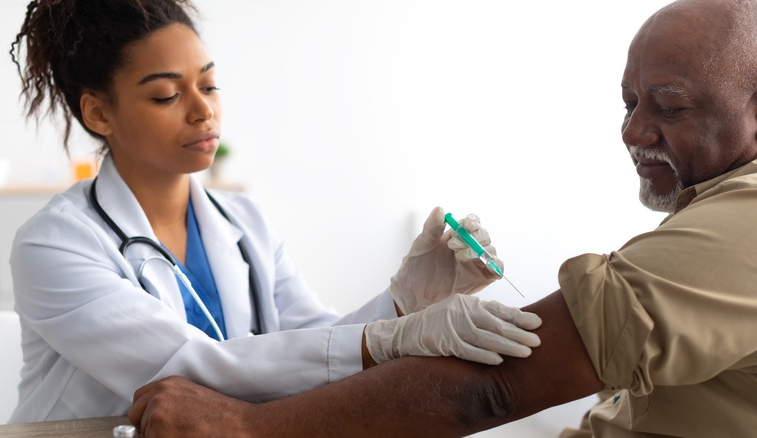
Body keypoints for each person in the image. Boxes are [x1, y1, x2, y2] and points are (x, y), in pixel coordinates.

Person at [128, 0, 757, 436]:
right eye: (628, 101)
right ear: (97, 115)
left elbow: (490, 389)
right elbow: (172, 364)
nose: (633, 130)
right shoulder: (54, 243)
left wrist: (250, 426)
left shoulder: (742, 222)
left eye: (669, 108)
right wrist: (394, 319)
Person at [7, 0, 544, 423]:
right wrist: (391, 339)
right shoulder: (53, 245)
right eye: (168, 95)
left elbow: (316, 343)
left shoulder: (243, 223)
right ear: (100, 113)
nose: (203, 110)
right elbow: (187, 372)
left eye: (210, 85)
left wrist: (406, 302)